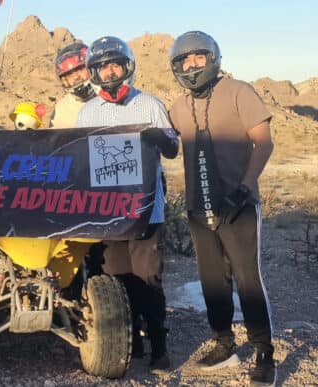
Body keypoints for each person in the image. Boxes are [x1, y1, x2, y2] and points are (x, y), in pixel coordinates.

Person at [168, 31, 275, 386]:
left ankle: (263, 351)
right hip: (200, 208)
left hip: (238, 203)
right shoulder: (179, 107)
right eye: (185, 60)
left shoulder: (239, 91)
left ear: (213, 58)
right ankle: (224, 345)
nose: (192, 65)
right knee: (213, 280)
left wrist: (244, 189)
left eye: (198, 57)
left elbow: (264, 142)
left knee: (247, 278)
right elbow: (169, 145)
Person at [75, 35, 178, 371]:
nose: (110, 71)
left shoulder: (149, 104)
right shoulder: (88, 112)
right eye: (103, 66)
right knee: (115, 277)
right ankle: (128, 339)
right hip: (106, 211)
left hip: (147, 208)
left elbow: (173, 149)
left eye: (115, 64)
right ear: (94, 72)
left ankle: (159, 344)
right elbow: (80, 160)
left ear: (127, 66)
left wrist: (159, 136)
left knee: (148, 276)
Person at [49, 41, 97, 128]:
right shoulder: (61, 110)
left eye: (79, 69)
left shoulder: (111, 95)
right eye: (69, 74)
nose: (76, 77)